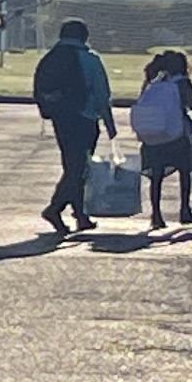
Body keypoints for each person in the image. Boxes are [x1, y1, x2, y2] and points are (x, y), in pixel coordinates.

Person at [31, 15, 111, 233]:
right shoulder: (89, 58)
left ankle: (80, 212)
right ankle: (56, 207)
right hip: (83, 117)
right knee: (80, 168)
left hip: (60, 117)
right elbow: (101, 92)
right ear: (84, 36)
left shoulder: (51, 57)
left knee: (72, 165)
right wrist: (109, 122)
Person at [132, 47, 192, 226]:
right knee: (184, 172)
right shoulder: (182, 83)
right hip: (177, 135)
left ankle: (156, 215)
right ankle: (184, 210)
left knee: (156, 176)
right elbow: (190, 102)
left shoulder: (154, 83)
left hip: (154, 136)